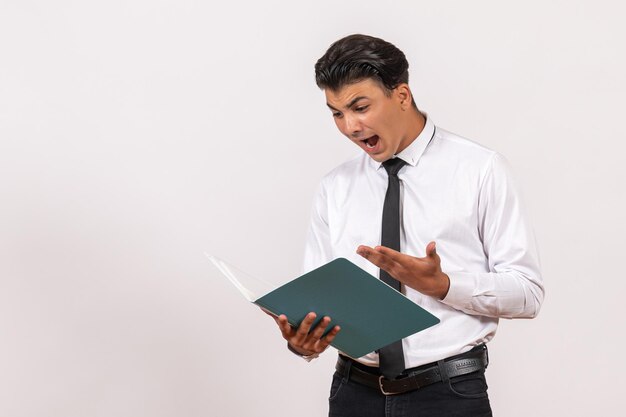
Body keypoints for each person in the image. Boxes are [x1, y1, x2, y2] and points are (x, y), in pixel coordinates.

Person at [268, 34, 544, 417]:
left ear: (401, 95)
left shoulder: (481, 170)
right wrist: (306, 341)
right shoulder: (335, 186)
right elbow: (321, 299)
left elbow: (527, 294)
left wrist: (443, 285)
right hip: (352, 394)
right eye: (336, 113)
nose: (350, 126)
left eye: (359, 107)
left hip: (447, 395)